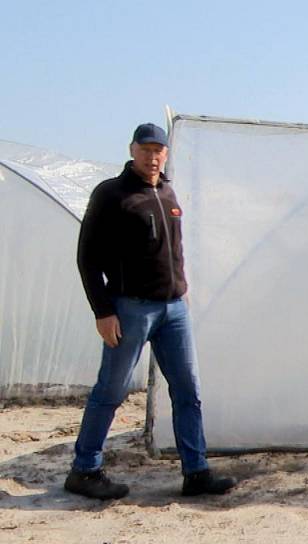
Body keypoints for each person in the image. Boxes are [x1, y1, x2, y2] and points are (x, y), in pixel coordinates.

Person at [65, 123, 236, 500]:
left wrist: (181, 289)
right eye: (145, 149)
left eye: (158, 149)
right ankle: (85, 469)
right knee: (111, 389)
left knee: (188, 390)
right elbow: (87, 258)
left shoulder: (168, 192)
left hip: (173, 309)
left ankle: (196, 472)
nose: (152, 156)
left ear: (166, 153)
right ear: (132, 150)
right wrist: (102, 311)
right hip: (130, 308)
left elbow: (174, 250)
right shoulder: (112, 194)